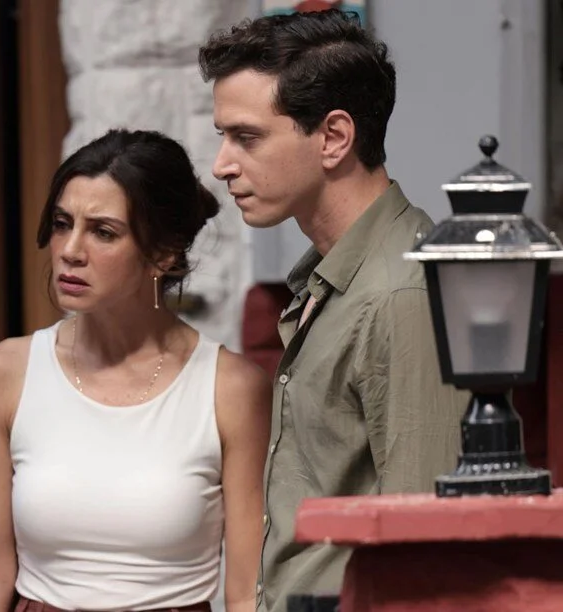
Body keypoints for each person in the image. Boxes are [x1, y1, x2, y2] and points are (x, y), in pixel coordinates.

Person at [199, 9, 470, 611]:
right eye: (223, 136)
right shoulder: (334, 277)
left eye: (246, 137)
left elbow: (424, 551)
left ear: (334, 138)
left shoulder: (402, 292)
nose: (222, 165)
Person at [0, 128, 272, 612]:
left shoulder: (231, 388)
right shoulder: (2, 375)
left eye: (103, 232)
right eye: (62, 223)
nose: (70, 250)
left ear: (162, 253)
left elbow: (249, 591)